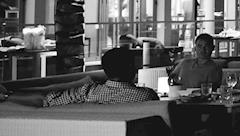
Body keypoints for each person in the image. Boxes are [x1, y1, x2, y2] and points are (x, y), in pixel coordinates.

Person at [0, 47, 157, 107]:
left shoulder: (87, 93)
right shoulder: (147, 96)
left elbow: (45, 101)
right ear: (132, 70)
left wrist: (7, 97)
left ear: (106, 70)